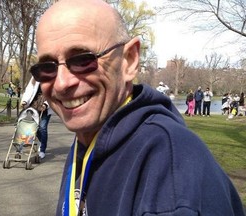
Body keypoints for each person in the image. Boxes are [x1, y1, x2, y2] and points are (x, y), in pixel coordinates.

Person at [31, 0, 245, 215]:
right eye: (47, 67)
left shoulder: (170, 173)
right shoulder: (92, 135)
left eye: (82, 60)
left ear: (129, 60)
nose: (61, 83)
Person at [21, 77, 54, 159]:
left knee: (42, 127)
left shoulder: (52, 77)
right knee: (33, 126)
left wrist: (46, 104)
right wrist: (25, 100)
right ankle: (41, 142)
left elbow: (53, 94)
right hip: (34, 105)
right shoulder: (35, 77)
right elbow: (29, 90)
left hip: (45, 106)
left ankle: (42, 149)